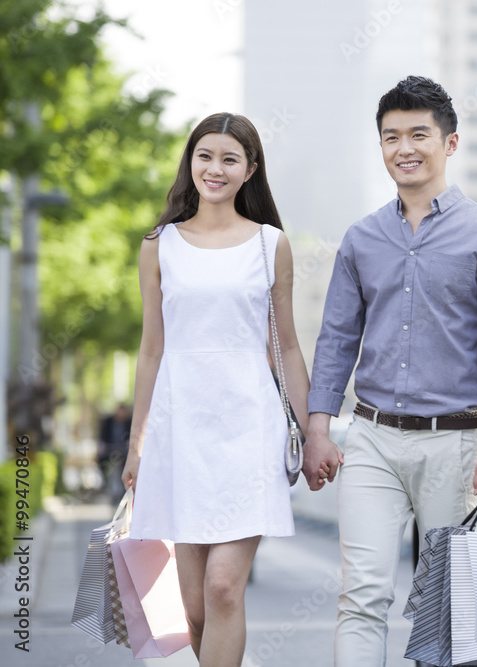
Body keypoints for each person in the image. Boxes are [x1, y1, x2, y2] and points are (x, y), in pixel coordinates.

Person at [305, 75, 477, 665]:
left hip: (454, 444)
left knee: (448, 603)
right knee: (361, 593)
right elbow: (335, 340)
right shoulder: (361, 239)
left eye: (418, 134)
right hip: (372, 438)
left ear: (449, 143)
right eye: (390, 137)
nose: (403, 148)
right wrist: (318, 429)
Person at [121, 112, 310, 667]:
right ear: (190, 162)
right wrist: (137, 443)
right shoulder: (160, 245)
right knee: (195, 607)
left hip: (249, 432)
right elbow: (151, 349)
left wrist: (312, 431)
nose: (215, 168)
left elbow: (290, 349)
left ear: (250, 170)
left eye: (230, 158)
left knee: (225, 587)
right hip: (180, 436)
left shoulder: (270, 245)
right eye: (205, 155)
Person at [97, 402, 132, 500]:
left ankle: (122, 490)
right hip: (109, 451)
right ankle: (106, 484)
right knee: (105, 463)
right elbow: (102, 438)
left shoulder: (129, 422)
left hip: (123, 451)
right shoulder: (108, 422)